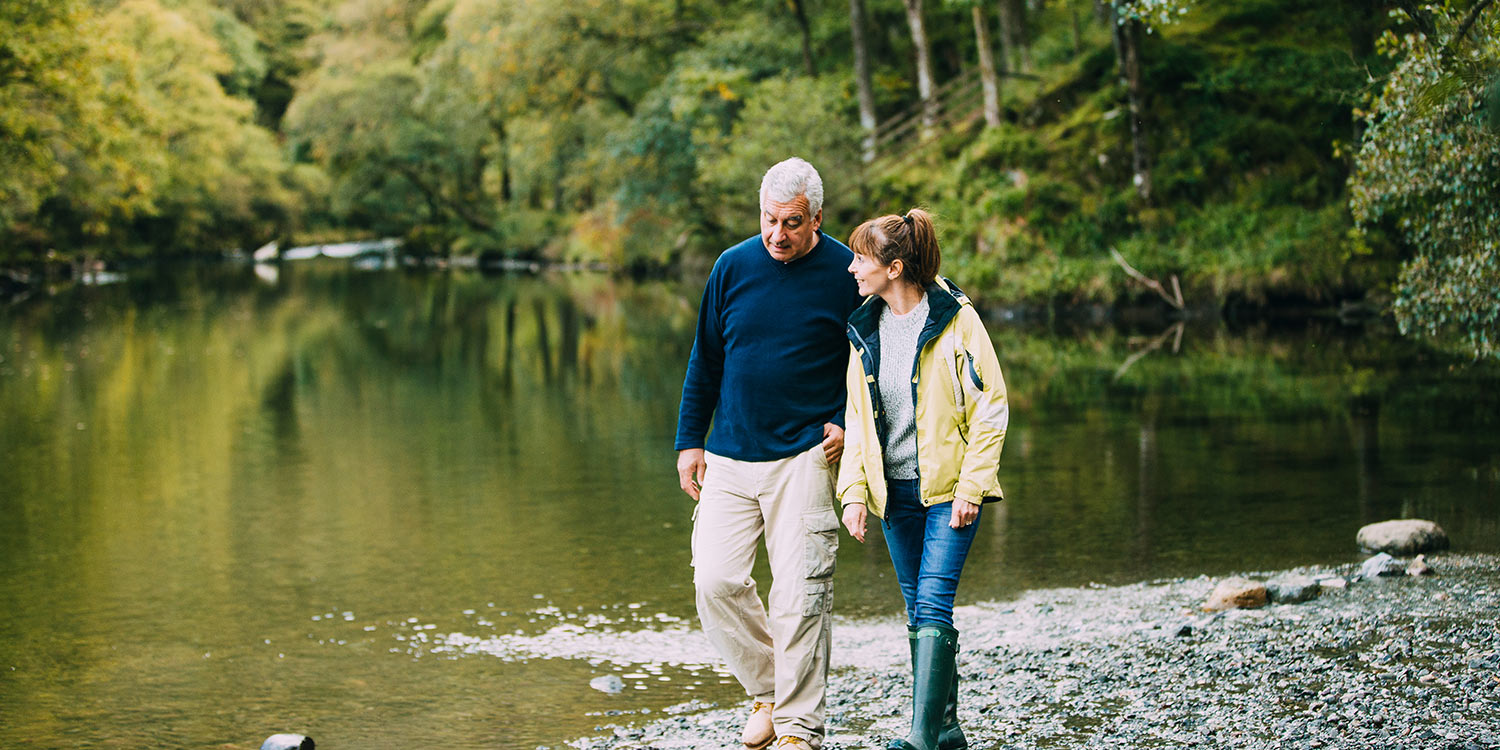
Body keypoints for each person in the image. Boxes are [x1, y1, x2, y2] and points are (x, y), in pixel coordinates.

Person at [674, 158, 864, 750]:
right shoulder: (731, 266)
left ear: (817, 218)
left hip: (805, 455)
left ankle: (800, 730)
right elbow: (705, 357)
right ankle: (769, 691)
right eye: (769, 220)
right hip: (729, 454)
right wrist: (689, 441)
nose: (777, 234)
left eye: (792, 222)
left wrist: (847, 423)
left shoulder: (845, 272)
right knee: (716, 581)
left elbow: (869, 363)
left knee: (801, 594)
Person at [837, 208, 1008, 750]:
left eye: (860, 259)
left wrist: (971, 487)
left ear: (892, 267)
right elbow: (858, 421)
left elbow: (992, 406)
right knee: (918, 609)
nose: (851, 269)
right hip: (895, 497)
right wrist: (854, 492)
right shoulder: (865, 330)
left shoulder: (958, 321)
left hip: (948, 493)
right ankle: (947, 728)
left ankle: (919, 738)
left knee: (933, 603)